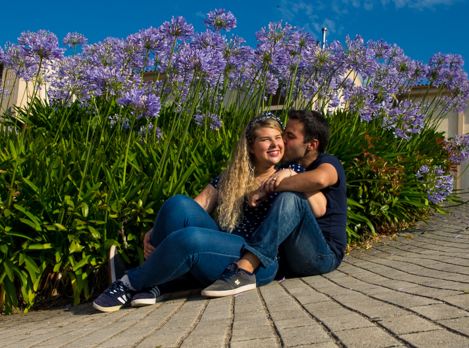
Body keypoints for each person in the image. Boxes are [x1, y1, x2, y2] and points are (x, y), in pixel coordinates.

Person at [93, 113, 326, 312]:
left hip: (258, 263)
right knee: (176, 203)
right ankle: (154, 284)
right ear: (250, 147)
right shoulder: (231, 177)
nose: (275, 144)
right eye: (266, 139)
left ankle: (129, 282)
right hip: (221, 248)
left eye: (278, 138)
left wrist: (290, 176)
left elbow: (318, 207)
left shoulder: (291, 171)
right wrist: (156, 231)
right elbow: (189, 211)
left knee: (190, 239)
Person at [201, 109, 347, 297]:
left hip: (321, 255)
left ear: (311, 145)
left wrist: (267, 188)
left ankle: (245, 268)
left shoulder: (327, 162)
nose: (283, 140)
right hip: (288, 257)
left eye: (290, 136)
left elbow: (319, 180)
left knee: (291, 197)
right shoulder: (287, 168)